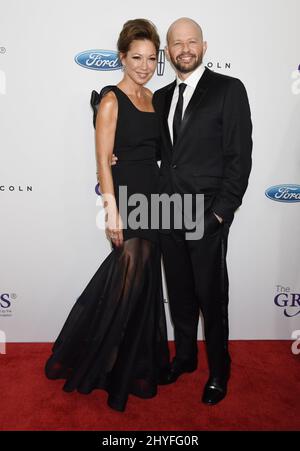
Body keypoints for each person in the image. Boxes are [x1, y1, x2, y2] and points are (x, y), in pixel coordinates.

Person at [44, 18, 170, 413]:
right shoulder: (112, 98)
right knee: (126, 280)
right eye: (136, 57)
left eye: (151, 58)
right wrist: (111, 211)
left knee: (143, 280)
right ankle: (102, 362)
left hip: (156, 197)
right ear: (122, 56)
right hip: (128, 198)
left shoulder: (155, 97)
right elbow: (102, 161)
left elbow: (160, 151)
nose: (144, 65)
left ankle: (131, 361)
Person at [152, 17, 253, 405]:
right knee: (178, 293)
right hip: (167, 212)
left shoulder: (228, 90)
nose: (185, 49)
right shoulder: (160, 97)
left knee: (212, 299)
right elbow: (161, 156)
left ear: (204, 47)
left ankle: (219, 370)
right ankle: (186, 358)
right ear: (169, 51)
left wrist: (220, 215)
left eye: (191, 41)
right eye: (177, 43)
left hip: (207, 215)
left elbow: (239, 158)